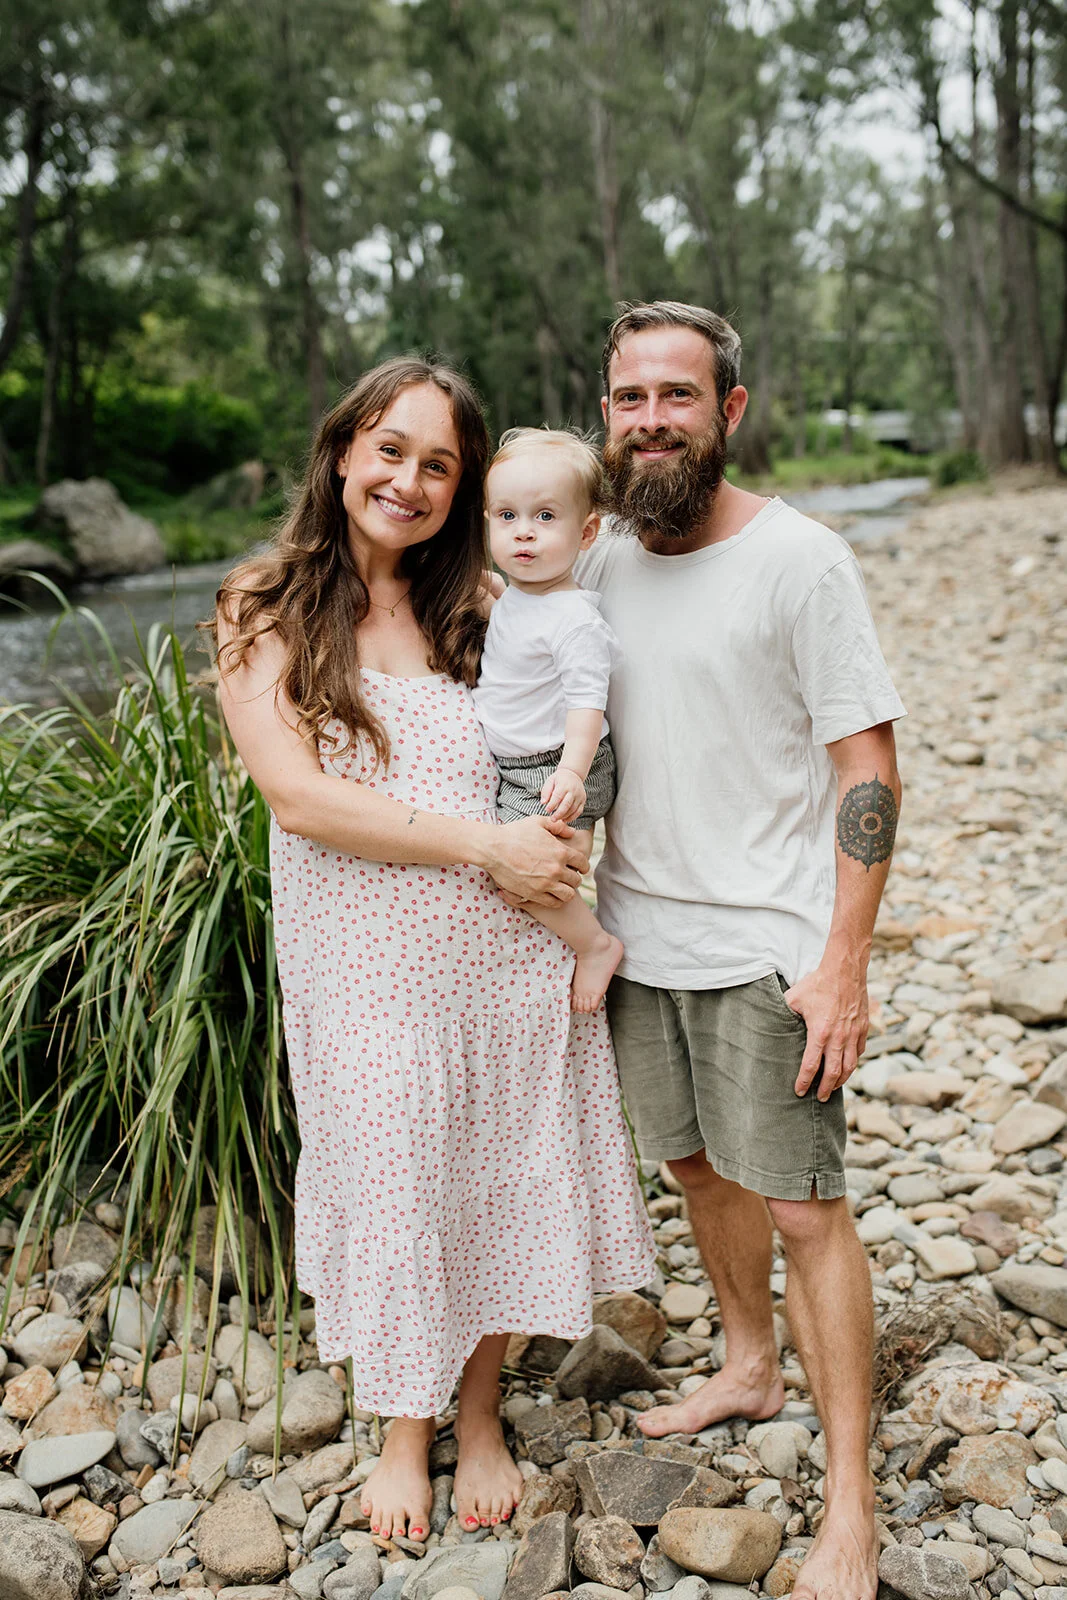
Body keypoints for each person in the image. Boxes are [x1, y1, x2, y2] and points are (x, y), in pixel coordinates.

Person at [212, 357, 655, 1543]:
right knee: (400, 1175)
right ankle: (402, 1428)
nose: (408, 481)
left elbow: (577, 693)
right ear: (343, 450)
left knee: (495, 1172)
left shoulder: (484, 604)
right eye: (390, 450)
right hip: (368, 970)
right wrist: (488, 848)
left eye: (438, 466)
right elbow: (298, 800)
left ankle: (476, 1417)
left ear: (463, 490)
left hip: (504, 956)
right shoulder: (262, 604)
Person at [577, 301, 906, 1600]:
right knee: (695, 1169)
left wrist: (841, 962)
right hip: (636, 942)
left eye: (673, 394)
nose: (648, 419)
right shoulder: (594, 558)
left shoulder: (801, 561)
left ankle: (847, 1504)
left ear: (728, 409)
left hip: (767, 950)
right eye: (625, 398)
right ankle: (744, 1361)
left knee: (799, 1208)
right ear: (601, 414)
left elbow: (864, 764)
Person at [473, 427, 624, 1012]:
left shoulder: (572, 618)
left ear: (586, 533)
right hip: (527, 765)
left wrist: (573, 771)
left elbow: (589, 700)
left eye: (544, 516)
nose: (523, 532)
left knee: (525, 878)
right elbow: (506, 610)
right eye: (506, 516)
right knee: (546, 874)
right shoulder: (519, 594)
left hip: (554, 768)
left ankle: (594, 946)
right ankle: (574, 941)